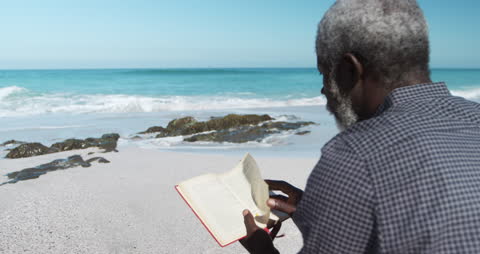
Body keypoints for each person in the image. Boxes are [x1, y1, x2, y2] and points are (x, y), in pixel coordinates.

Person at [240, 0, 480, 253]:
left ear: (349, 68)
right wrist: (314, 211)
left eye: (324, 74)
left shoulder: (354, 153)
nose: (323, 90)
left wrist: (262, 250)